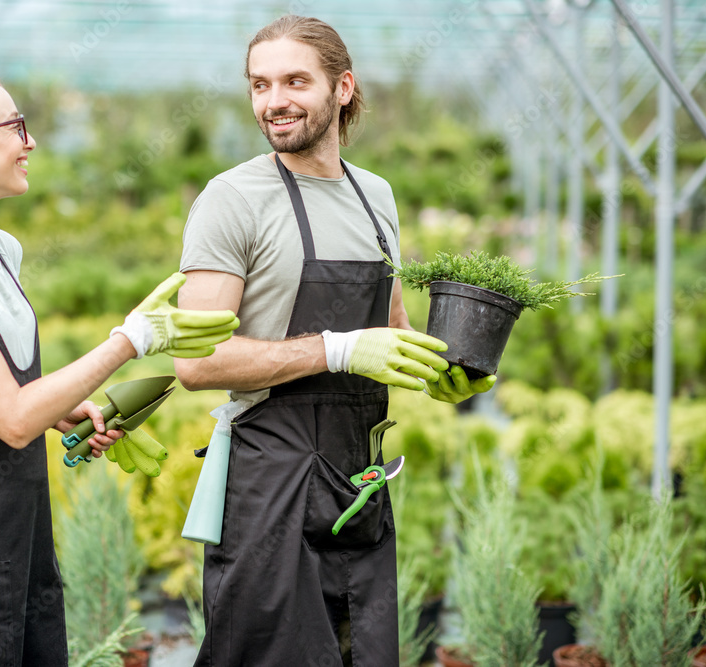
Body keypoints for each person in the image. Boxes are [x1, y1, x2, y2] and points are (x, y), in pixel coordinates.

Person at [0, 73, 238, 666]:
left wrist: (65, 414)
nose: (30, 141)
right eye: (15, 126)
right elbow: (13, 419)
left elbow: (3, 390)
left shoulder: (0, 251)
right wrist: (131, 340)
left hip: (21, 537)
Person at [174, 16, 496, 667]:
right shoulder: (231, 199)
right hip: (270, 482)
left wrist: (441, 367)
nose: (274, 101)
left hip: (358, 483)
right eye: (259, 84)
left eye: (295, 80)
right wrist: (338, 349)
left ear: (342, 87)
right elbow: (196, 361)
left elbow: (393, 328)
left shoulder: (375, 196)